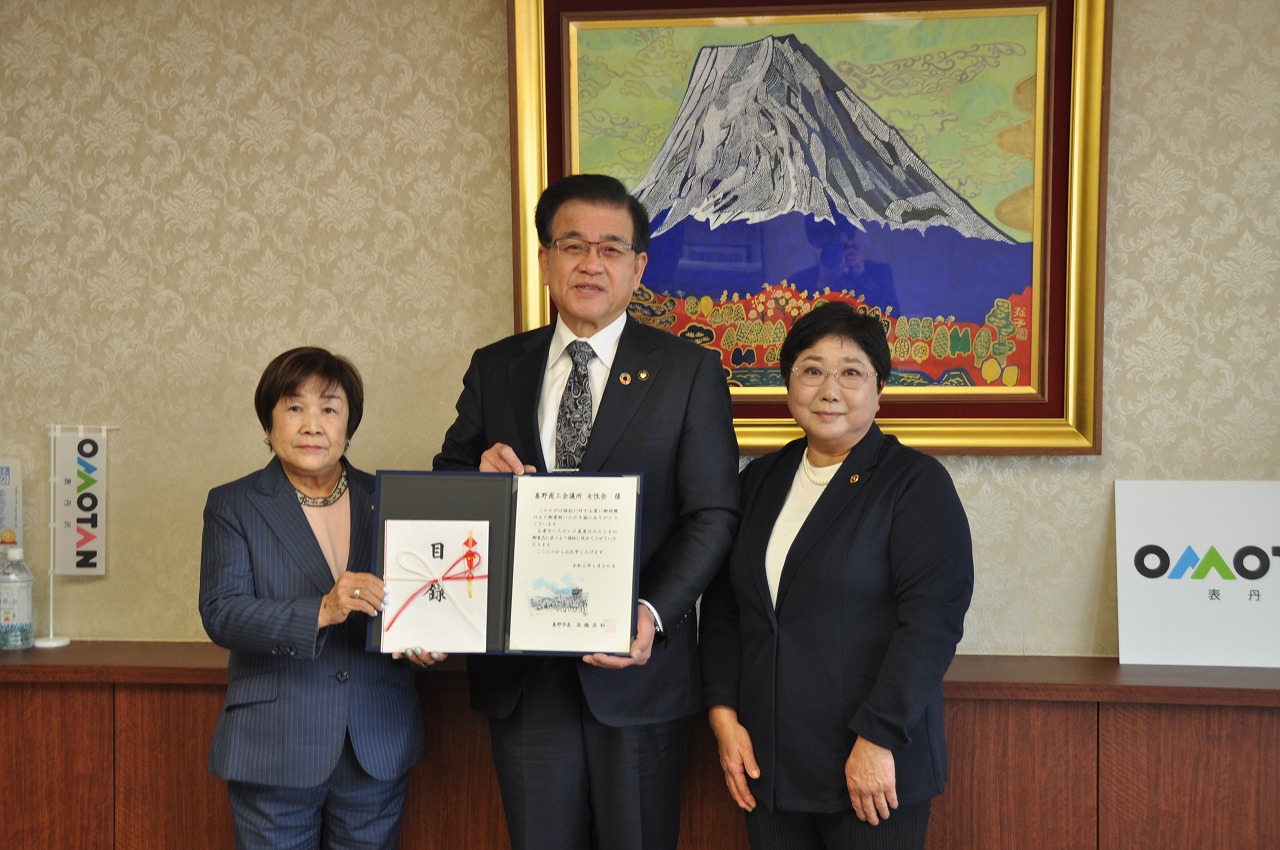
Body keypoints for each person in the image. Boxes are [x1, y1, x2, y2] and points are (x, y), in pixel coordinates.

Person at [433, 173, 741, 850]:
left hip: (636, 671)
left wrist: (650, 613)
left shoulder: (689, 372)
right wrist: (478, 479)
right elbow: (447, 484)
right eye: (572, 245)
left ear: (638, 267)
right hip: (524, 676)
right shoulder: (496, 367)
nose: (590, 263)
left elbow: (713, 514)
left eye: (610, 248)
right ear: (544, 259)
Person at [699, 303, 973, 850]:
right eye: (811, 369)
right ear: (788, 383)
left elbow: (930, 626)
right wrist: (724, 720)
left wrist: (878, 740)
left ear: (879, 388)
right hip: (769, 766)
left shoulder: (915, 484)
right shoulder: (760, 480)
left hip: (872, 768)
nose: (830, 388)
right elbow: (728, 607)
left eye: (851, 371)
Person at [199, 346, 446, 849]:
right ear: (268, 425)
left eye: (329, 409)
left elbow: (420, 602)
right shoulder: (234, 504)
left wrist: (426, 644)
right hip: (275, 745)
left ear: (348, 427)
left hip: (375, 743)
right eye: (294, 408)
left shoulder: (390, 500)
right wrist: (322, 609)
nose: (313, 425)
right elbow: (221, 613)